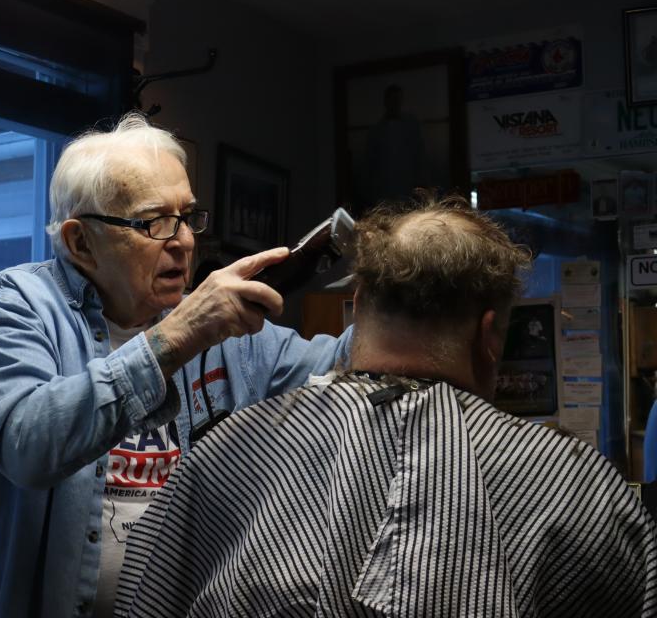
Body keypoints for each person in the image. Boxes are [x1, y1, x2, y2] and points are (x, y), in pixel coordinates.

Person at [116, 195, 657, 617]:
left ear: (356, 309)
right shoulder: (572, 485)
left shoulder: (225, 458)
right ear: (490, 335)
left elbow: (146, 594)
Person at [0, 112, 352, 618]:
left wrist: (413, 287)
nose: (184, 241)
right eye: (154, 222)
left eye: (188, 216)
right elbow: (29, 444)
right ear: (81, 243)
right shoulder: (15, 306)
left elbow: (346, 366)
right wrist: (177, 337)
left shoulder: (223, 332)